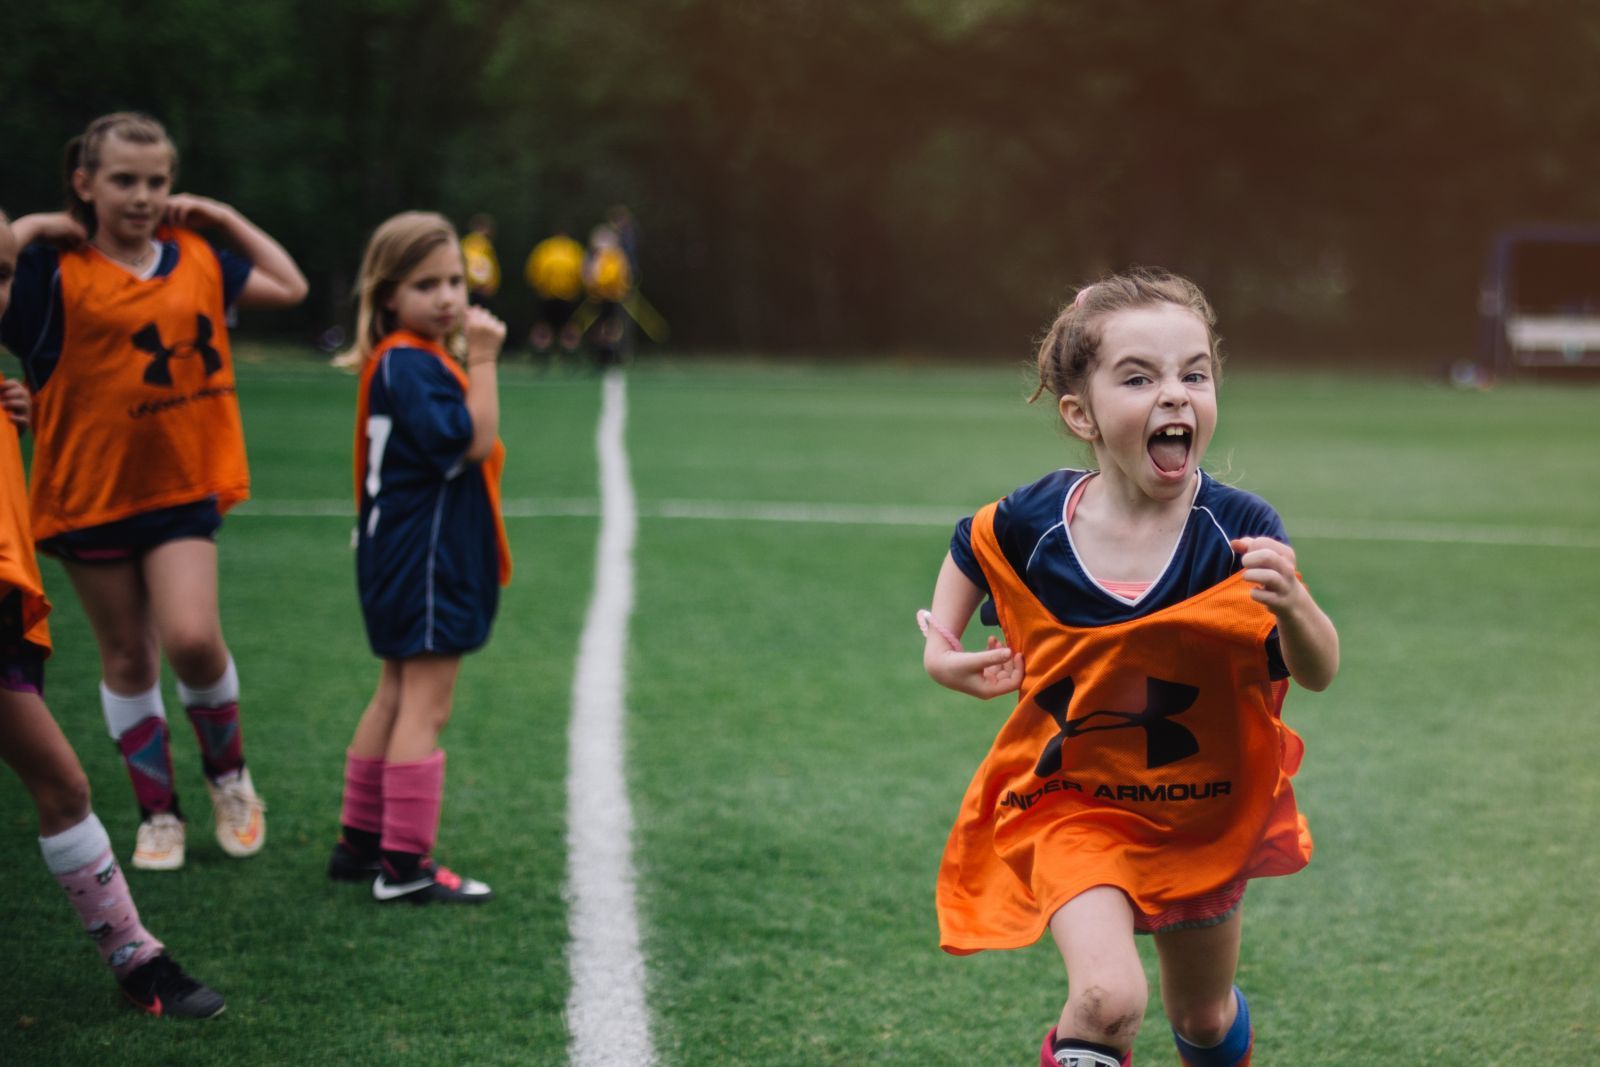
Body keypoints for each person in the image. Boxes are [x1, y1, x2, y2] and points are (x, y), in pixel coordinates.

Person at [918, 269, 1339, 1067]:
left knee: (1205, 1017)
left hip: (1202, 806)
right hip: (1074, 804)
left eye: (1195, 372)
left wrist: (1297, 607)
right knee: (1109, 998)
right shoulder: (1040, 521)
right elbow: (971, 542)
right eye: (1140, 376)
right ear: (1080, 412)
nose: (1175, 394)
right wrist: (942, 649)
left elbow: (1315, 670)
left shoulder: (1240, 530)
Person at [0, 112, 308, 871]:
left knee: (194, 638)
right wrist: (44, 226)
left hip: (180, 487)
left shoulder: (196, 254)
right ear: (85, 182)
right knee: (129, 658)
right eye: (123, 180)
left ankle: (230, 776)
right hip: (88, 493)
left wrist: (225, 216)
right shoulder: (49, 274)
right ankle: (157, 812)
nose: (142, 196)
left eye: (157, 181)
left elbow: (291, 285)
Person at [0, 209, 225, 1018]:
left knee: (62, 781)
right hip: (90, 516)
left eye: (1, 275)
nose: (0, 294)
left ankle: (138, 959)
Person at [326, 211, 511, 905]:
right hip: (424, 560)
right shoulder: (410, 359)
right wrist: (485, 359)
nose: (448, 297)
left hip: (396, 554)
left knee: (396, 690)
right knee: (425, 703)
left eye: (456, 281)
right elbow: (469, 440)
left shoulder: (403, 358)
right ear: (388, 294)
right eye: (426, 283)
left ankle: (359, 842)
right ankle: (403, 865)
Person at [524, 227, 585, 355]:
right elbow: (582, 272)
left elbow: (533, 271)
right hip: (565, 295)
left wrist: (538, 286)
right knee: (565, 326)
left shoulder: (544, 248)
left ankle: (543, 352)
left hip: (551, 295)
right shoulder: (573, 249)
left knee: (548, 326)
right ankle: (566, 353)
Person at [459, 213, 500, 307]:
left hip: (473, 289)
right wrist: (483, 284)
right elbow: (479, 265)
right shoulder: (479, 244)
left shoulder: (467, 242)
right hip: (478, 290)